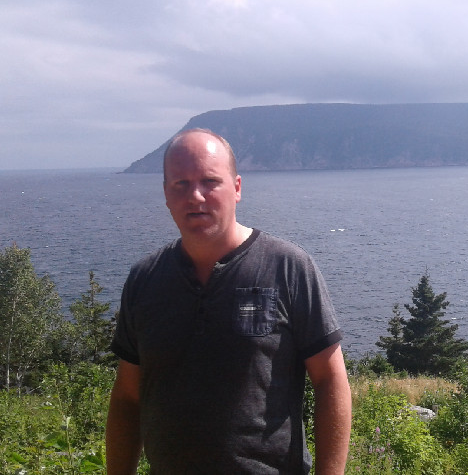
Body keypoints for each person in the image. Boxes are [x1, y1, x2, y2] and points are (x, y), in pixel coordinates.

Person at [106, 128, 351, 475]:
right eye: (181, 184)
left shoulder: (288, 268)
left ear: (236, 188)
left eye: (210, 181)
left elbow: (330, 380)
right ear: (166, 194)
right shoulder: (145, 279)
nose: (195, 196)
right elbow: (128, 397)